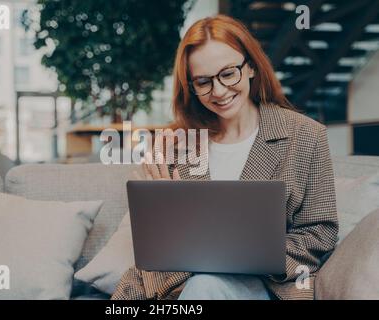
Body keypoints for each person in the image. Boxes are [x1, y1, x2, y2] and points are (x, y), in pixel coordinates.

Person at [111, 14, 338, 300]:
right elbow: (155, 249)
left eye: (228, 73)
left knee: (207, 287)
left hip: (268, 285)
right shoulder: (172, 145)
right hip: (183, 287)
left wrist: (252, 253)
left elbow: (321, 232)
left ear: (252, 67)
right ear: (190, 86)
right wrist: (174, 216)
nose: (218, 91)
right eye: (203, 82)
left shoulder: (306, 136)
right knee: (203, 286)